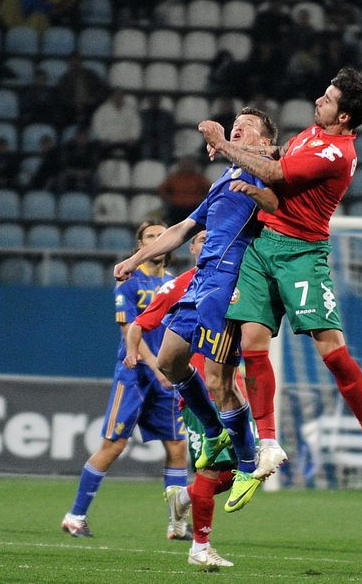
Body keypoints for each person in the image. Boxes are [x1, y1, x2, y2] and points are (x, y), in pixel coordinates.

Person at [198, 67, 362, 481]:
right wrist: (252, 150)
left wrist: (223, 144)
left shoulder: (337, 153)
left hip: (302, 255)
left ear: (343, 116)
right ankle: (269, 443)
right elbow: (279, 156)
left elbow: (276, 173)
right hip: (263, 246)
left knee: (332, 352)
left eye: (327, 100)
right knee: (253, 343)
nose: (317, 101)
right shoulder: (312, 134)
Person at [114, 108, 284, 514]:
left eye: (247, 126)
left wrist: (235, 156)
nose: (237, 127)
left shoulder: (267, 168)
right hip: (202, 278)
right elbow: (181, 229)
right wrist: (136, 258)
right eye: (235, 124)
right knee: (170, 361)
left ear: (264, 140)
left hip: (229, 281)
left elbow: (278, 194)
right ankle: (213, 429)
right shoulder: (225, 178)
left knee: (218, 380)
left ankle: (247, 465)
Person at [62, 219, 189, 539]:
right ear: (140, 244)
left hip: (166, 376)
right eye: (150, 236)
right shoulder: (129, 282)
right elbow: (129, 330)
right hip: (135, 375)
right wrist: (156, 367)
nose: (157, 240)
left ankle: (177, 524)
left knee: (177, 446)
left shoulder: (175, 283)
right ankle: (75, 516)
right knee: (114, 444)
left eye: (162, 235)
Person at [125, 230, 234, 568]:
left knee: (249, 470)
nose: (209, 241)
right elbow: (138, 324)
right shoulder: (179, 284)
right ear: (192, 248)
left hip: (232, 393)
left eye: (214, 237)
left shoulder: (237, 279)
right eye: (201, 238)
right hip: (200, 395)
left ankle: (183, 497)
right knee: (212, 470)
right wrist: (132, 352)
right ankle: (200, 547)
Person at [90, 88, 142, 160]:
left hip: (126, 141)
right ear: (112, 97)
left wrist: (133, 138)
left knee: (136, 154)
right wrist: (102, 138)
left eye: (120, 95)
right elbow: (97, 125)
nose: (118, 98)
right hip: (108, 141)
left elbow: (136, 124)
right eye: (116, 95)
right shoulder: (102, 110)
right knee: (99, 154)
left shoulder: (130, 110)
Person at [157, 157, 211, 225]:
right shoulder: (174, 177)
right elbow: (162, 189)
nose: (187, 167)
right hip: (177, 207)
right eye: (185, 165)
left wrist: (201, 199)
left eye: (189, 165)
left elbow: (209, 189)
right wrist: (170, 199)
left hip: (194, 207)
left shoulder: (198, 177)